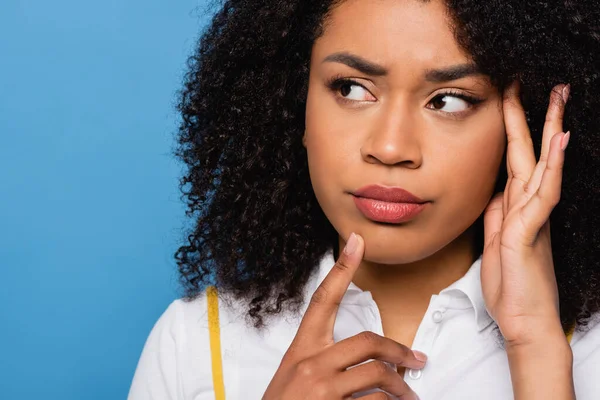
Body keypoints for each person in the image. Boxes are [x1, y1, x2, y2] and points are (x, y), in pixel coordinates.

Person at [128, 0, 600, 399]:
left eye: (449, 100)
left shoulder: (587, 350)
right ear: (294, 103)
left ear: (523, 122)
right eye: (351, 88)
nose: (390, 148)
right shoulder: (193, 345)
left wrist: (536, 350)